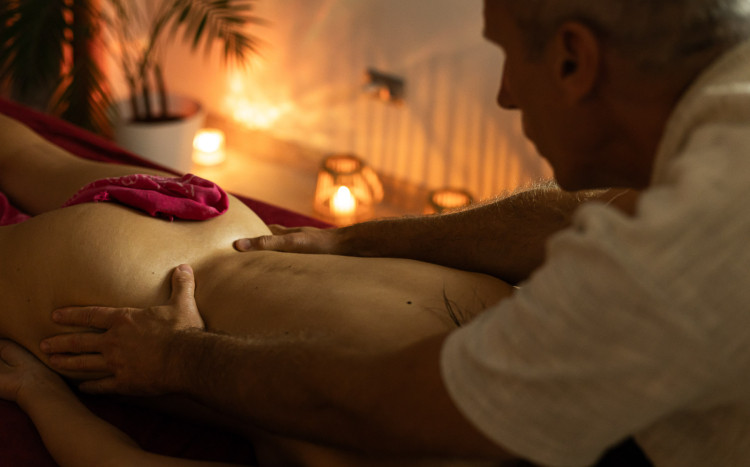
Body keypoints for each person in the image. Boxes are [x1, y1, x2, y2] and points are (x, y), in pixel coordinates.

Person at [39, 0, 750, 466]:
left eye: (506, 54)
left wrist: (178, 360)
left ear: (573, 58)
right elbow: (570, 213)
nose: (504, 93)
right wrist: (353, 240)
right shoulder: (724, 109)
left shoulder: (686, 246)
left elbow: (415, 406)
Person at [0, 112, 511, 466]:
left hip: (223, 221)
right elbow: (118, 461)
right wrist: (38, 391)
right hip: (124, 283)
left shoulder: (527, 315)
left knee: (23, 154)